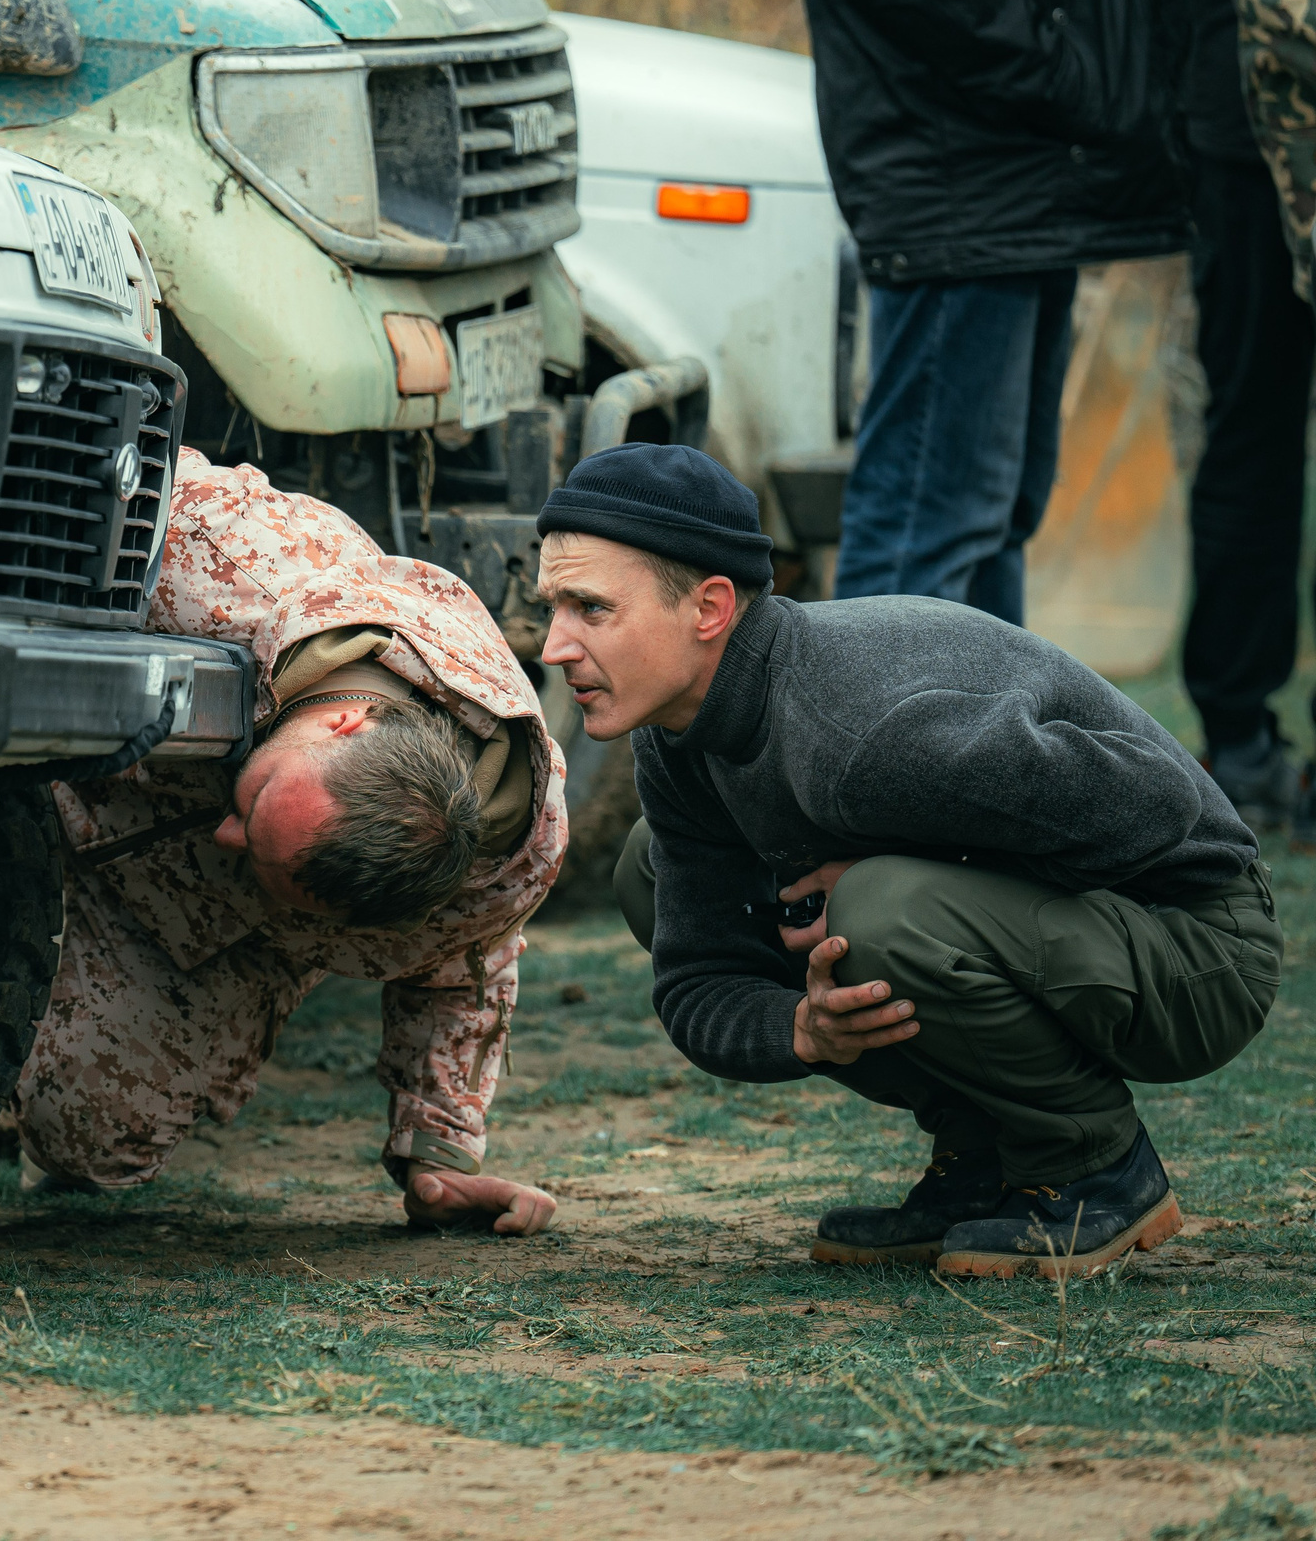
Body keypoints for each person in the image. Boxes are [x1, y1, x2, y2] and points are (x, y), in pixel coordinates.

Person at [537, 443, 1275, 1277]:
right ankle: (982, 1158)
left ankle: (1094, 1168)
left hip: (1201, 945)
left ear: (709, 609)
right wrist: (803, 1030)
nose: (555, 646)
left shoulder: (866, 739)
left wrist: (899, 865)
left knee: (882, 909)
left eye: (590, 610)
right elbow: (698, 975)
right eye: (553, 608)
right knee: (651, 867)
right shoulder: (677, 736)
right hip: (1074, 936)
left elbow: (1161, 809)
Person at [0, 446, 568, 1236]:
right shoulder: (213, 558)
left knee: (93, 1142)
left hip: (195, 925)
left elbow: (464, 961)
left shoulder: (508, 859)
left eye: (265, 858)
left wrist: (436, 1148)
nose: (229, 833)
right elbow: (71, 472)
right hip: (28, 785)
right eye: (256, 804)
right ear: (344, 720)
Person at [780, 0, 1191, 622]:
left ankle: (987, 747)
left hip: (1020, 163)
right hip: (965, 165)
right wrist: (1056, 64)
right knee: (926, 529)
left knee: (993, 515)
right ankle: (876, 749)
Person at [1202, 0, 1316, 833]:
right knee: (1251, 444)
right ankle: (1238, 743)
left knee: (1248, 441)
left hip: (1237, 130)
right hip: (1248, 147)